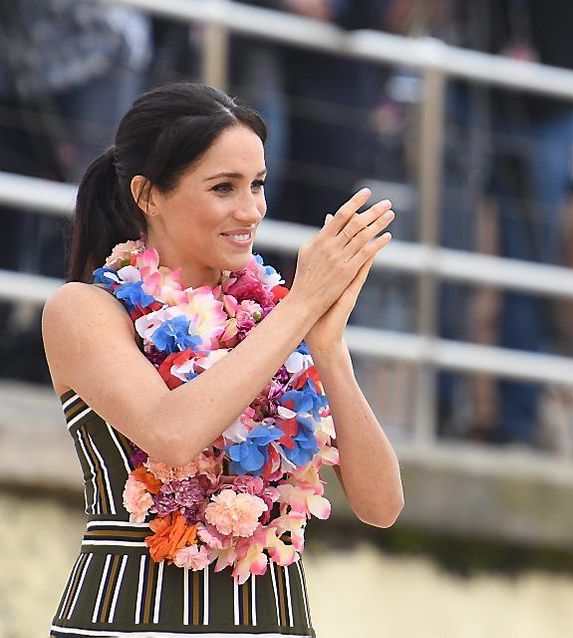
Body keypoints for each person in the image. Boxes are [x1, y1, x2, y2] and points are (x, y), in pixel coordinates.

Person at [42, 82, 404, 636]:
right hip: (133, 617)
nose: (251, 209)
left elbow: (382, 505)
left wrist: (326, 345)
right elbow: (171, 432)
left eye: (258, 184)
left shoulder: (273, 315)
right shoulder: (84, 310)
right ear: (148, 194)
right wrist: (301, 307)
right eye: (223, 187)